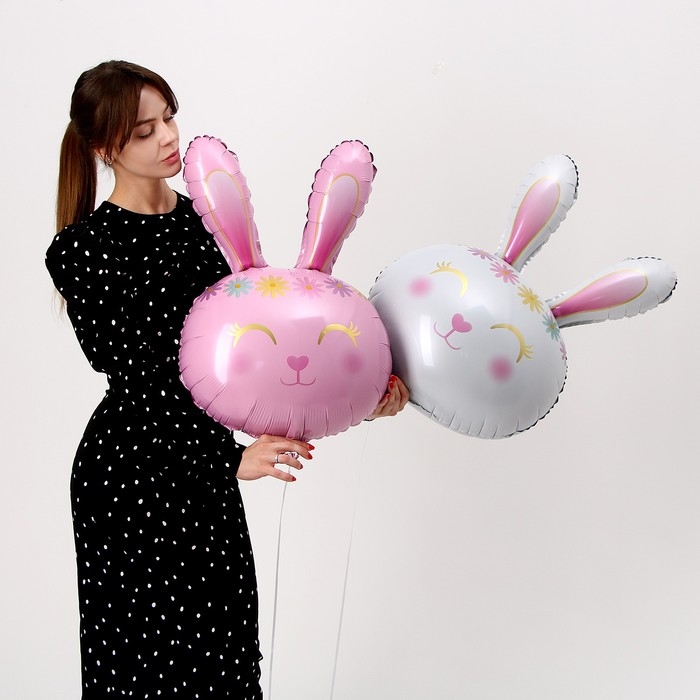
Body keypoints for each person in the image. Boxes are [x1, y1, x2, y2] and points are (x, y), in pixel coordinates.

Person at [46, 59, 409, 699]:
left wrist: (362, 398)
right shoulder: (83, 251)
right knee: (142, 670)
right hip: (133, 473)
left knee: (224, 661)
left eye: (169, 118)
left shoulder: (210, 225)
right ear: (104, 148)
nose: (168, 137)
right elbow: (139, 381)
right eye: (143, 131)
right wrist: (228, 460)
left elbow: (257, 355)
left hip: (206, 474)